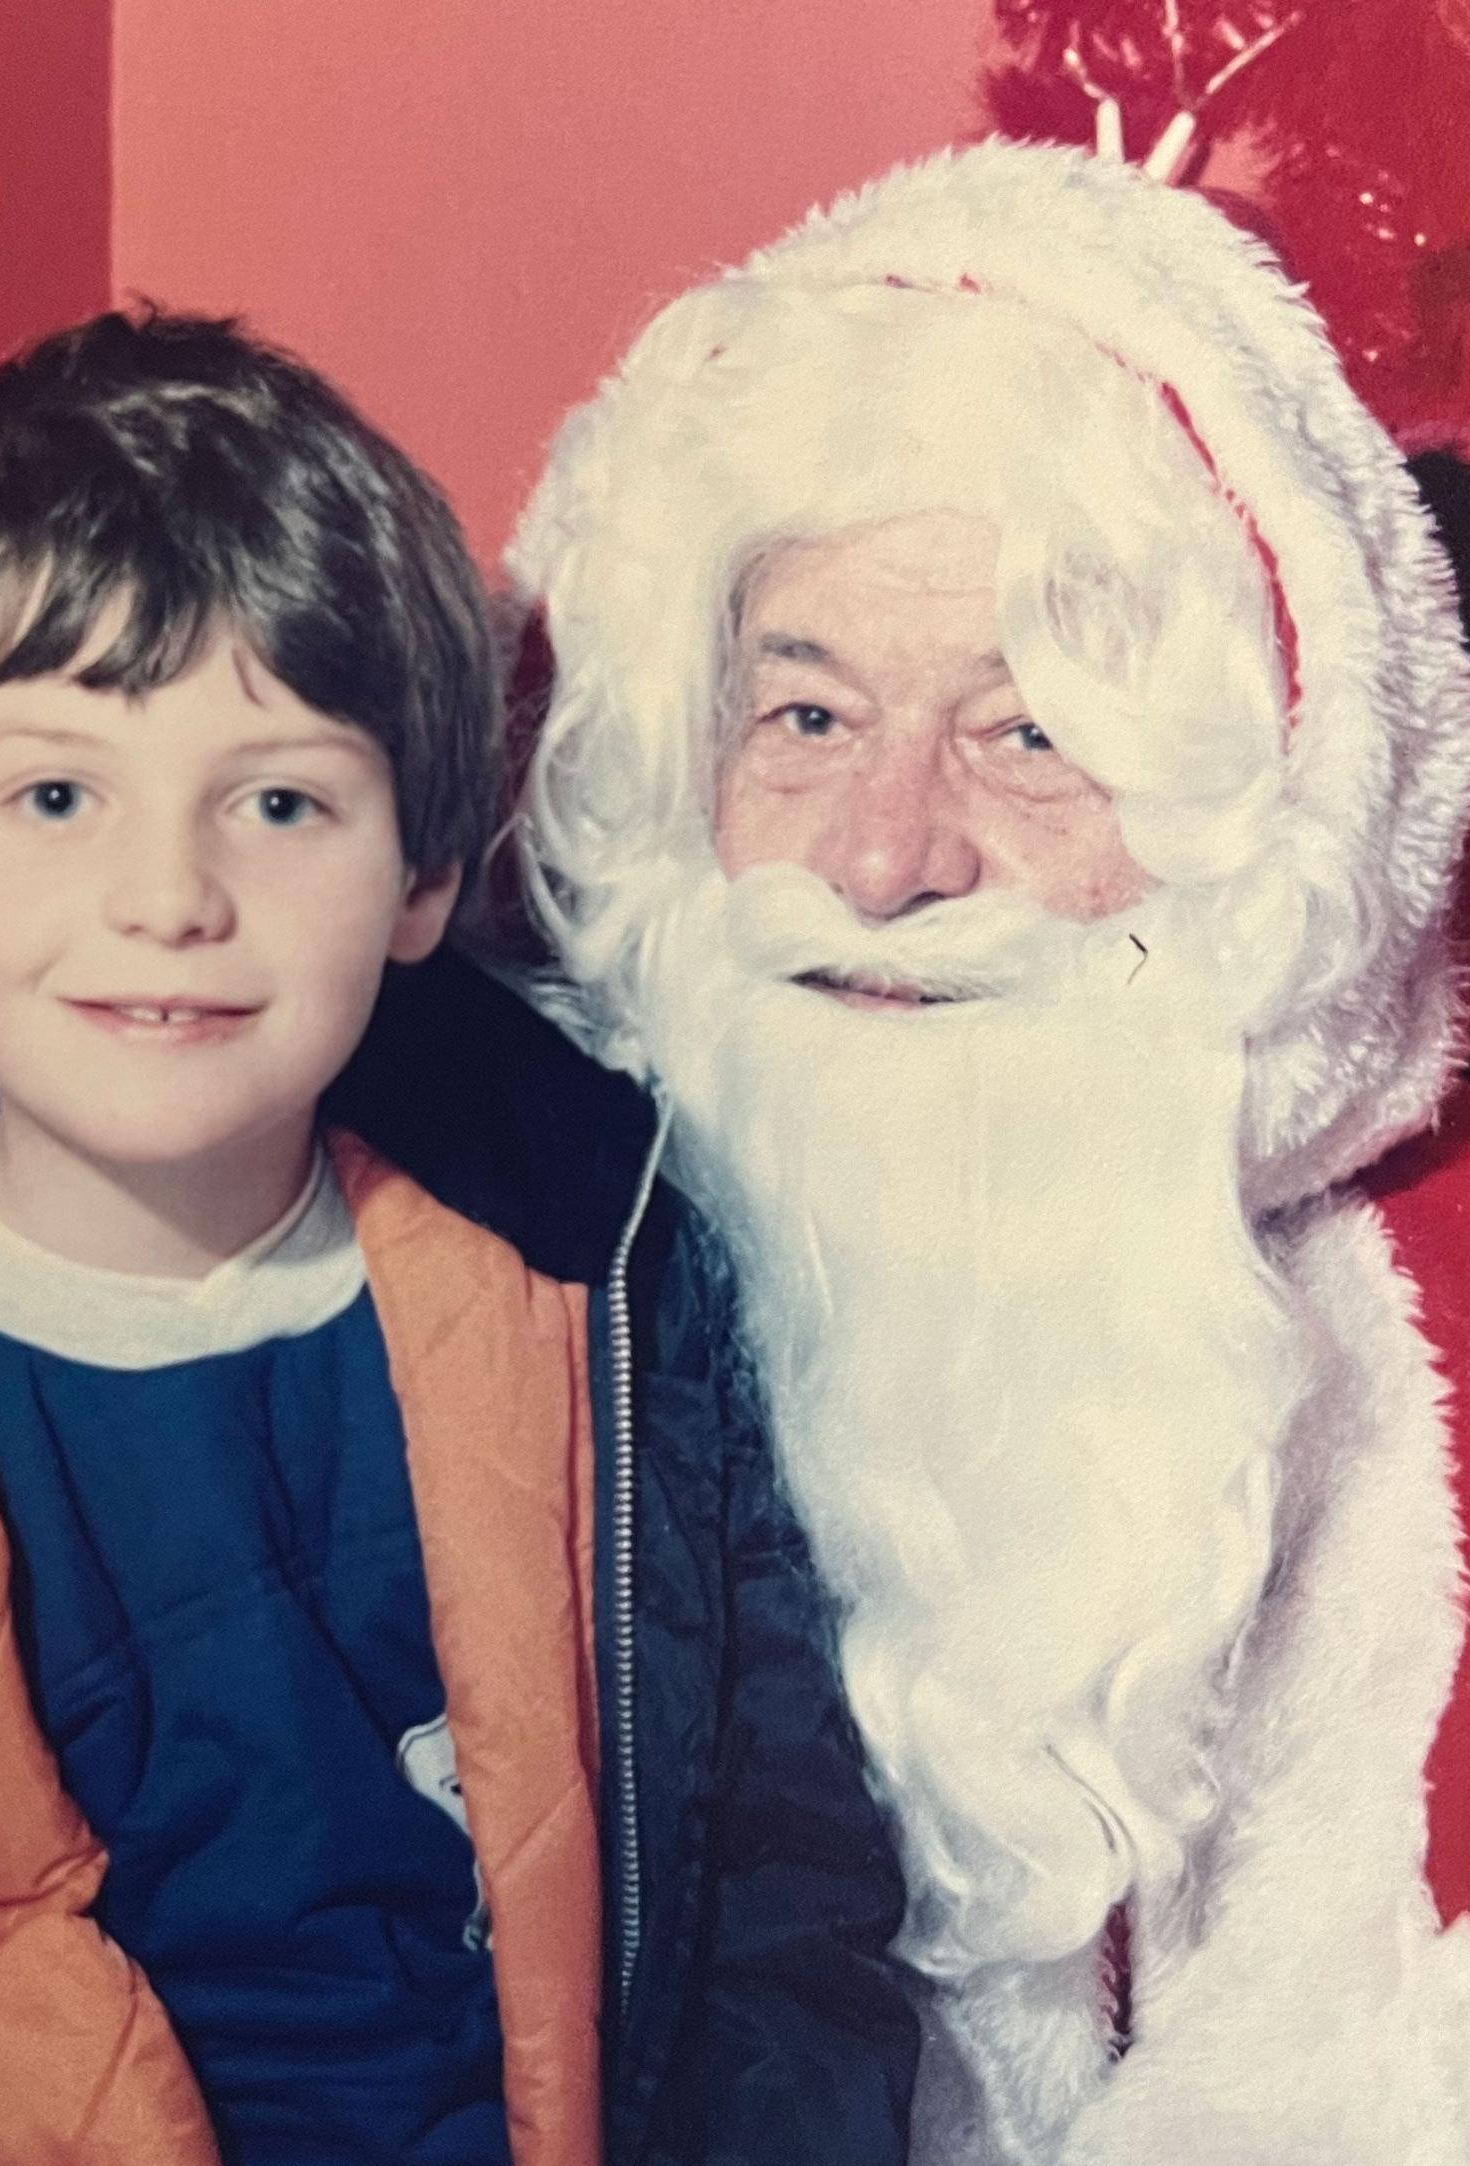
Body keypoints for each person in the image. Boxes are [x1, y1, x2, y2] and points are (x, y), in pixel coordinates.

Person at [0, 309, 918, 2166]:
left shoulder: (609, 1281)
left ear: (419, 879)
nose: (167, 899)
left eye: (282, 801)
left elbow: (785, 1909)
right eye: (58, 794)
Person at [513, 139, 1470, 2161]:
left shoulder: (1427, 1354)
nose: (881, 863)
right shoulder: (478, 1287)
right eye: (803, 717)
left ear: (1254, 821)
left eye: (1027, 732)